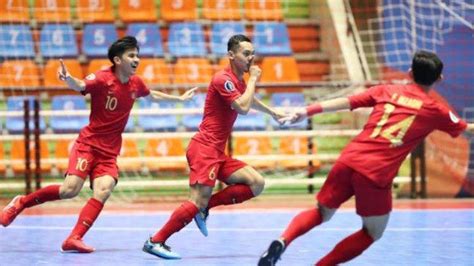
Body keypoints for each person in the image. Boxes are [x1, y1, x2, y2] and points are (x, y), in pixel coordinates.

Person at [258, 50, 474, 265]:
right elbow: (467, 128)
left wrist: (305, 111)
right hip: (375, 173)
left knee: (321, 212)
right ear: (439, 78)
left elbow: (347, 101)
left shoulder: (386, 90)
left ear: (409, 73)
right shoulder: (436, 110)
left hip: (348, 159)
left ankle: (283, 240)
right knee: (372, 232)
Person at [0, 36, 197, 253]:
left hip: (109, 152)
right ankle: (21, 202)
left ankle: (74, 238)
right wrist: (68, 79)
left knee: (103, 190)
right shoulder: (103, 78)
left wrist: (178, 99)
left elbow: (152, 96)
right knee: (69, 190)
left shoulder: (136, 83)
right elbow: (81, 84)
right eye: (131, 55)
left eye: (137, 55)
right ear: (117, 59)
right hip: (88, 145)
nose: (137, 59)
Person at [142, 34, 287, 259]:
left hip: (217, 152)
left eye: (252, 53)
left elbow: (250, 101)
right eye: (246, 53)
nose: (251, 58)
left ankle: (206, 206)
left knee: (256, 183)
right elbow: (242, 107)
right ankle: (156, 241)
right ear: (231, 55)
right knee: (195, 201)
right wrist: (254, 80)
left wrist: (273, 111)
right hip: (204, 149)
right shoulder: (223, 79)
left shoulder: (237, 81)